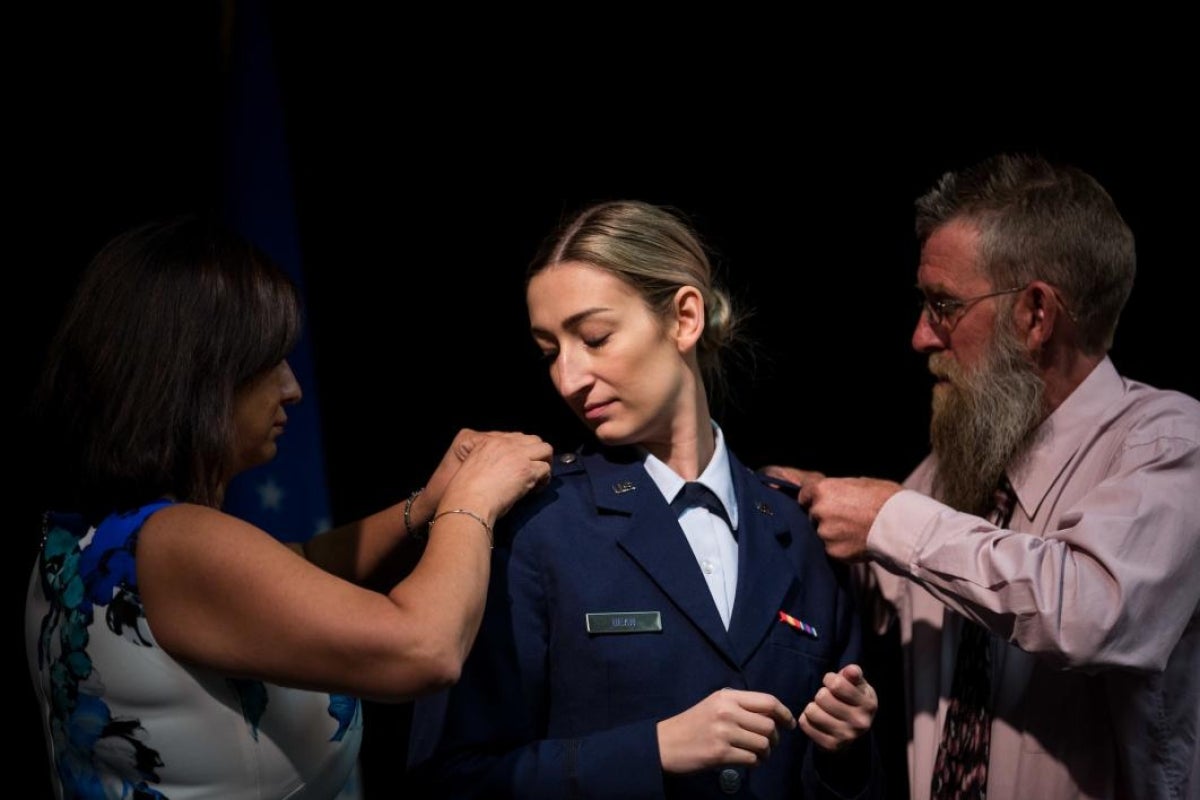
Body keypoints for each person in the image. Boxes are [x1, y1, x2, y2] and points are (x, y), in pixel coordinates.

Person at [23, 214, 554, 800]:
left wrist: (427, 503)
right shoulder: (177, 540)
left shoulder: (89, 538)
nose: (292, 388)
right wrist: (475, 499)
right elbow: (422, 649)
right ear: (200, 375)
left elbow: (290, 568)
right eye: (270, 359)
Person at [407, 199, 885, 799]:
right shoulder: (538, 526)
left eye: (594, 337)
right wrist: (652, 750)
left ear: (684, 318)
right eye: (550, 351)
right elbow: (448, 779)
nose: (568, 379)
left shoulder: (799, 531)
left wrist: (845, 753)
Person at [763, 153, 1200, 800]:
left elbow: (1093, 610)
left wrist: (889, 517)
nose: (919, 336)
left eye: (944, 305)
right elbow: (893, 582)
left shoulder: (1167, 440)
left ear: (1035, 314)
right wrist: (804, 504)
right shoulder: (957, 464)